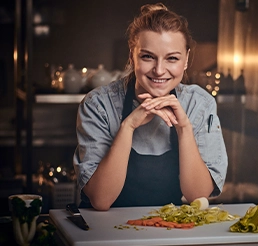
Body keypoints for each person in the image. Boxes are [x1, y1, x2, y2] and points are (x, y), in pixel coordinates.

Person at [73, 3, 228, 211]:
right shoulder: (99, 105)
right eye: (147, 57)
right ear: (131, 56)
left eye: (172, 58)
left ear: (186, 60)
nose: (159, 70)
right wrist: (127, 127)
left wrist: (184, 128)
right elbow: (101, 200)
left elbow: (197, 196)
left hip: (170, 228)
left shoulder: (199, 104)